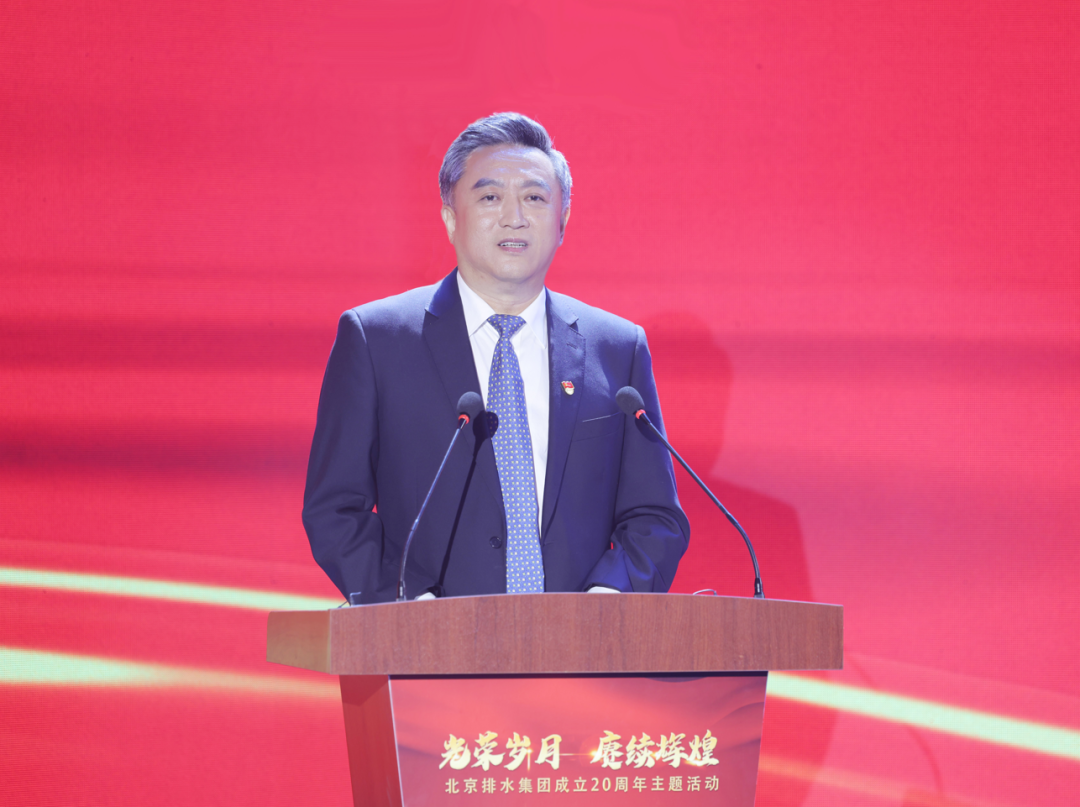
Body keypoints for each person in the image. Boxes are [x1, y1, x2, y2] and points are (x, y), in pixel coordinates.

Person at [302, 112, 689, 603]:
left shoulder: (616, 348)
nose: (514, 217)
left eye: (535, 198)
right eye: (489, 197)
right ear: (450, 217)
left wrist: (605, 603)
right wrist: (407, 607)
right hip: (426, 641)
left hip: (582, 644)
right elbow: (336, 508)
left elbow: (655, 516)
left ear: (563, 220)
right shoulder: (377, 340)